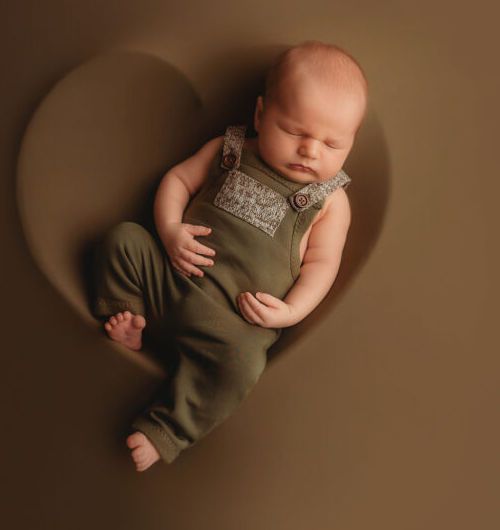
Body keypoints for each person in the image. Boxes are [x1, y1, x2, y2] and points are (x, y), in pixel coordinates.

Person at [91, 41, 368, 471]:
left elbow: (322, 264)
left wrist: (290, 312)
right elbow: (178, 180)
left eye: (333, 144)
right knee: (123, 240)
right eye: (296, 131)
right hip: (167, 279)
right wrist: (168, 231)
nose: (311, 151)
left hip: (226, 326)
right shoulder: (231, 148)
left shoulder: (330, 201)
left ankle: (167, 428)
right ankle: (129, 316)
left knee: (242, 368)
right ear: (261, 115)